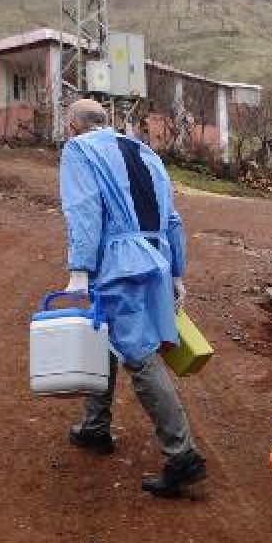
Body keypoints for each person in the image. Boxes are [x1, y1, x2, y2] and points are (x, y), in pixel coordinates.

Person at [59, 99, 207, 498]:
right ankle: (94, 426)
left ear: (73, 126)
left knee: (139, 354)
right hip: (155, 257)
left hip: (120, 261)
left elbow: (83, 209)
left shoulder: (80, 150)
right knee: (105, 332)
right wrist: (176, 272)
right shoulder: (144, 152)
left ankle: (182, 455)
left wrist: (79, 270)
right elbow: (172, 217)